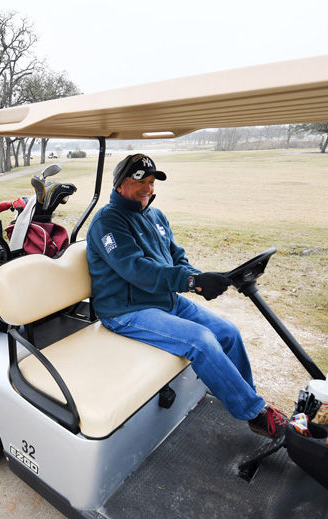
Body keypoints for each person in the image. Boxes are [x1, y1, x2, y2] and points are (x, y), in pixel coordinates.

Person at [86, 154, 288, 438]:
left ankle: (248, 401)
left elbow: (176, 257)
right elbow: (136, 269)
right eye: (140, 181)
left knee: (227, 332)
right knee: (201, 341)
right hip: (125, 310)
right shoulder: (108, 222)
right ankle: (256, 413)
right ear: (120, 184)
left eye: (152, 181)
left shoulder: (155, 216)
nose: (147, 188)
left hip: (164, 300)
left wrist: (200, 278)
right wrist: (191, 281)